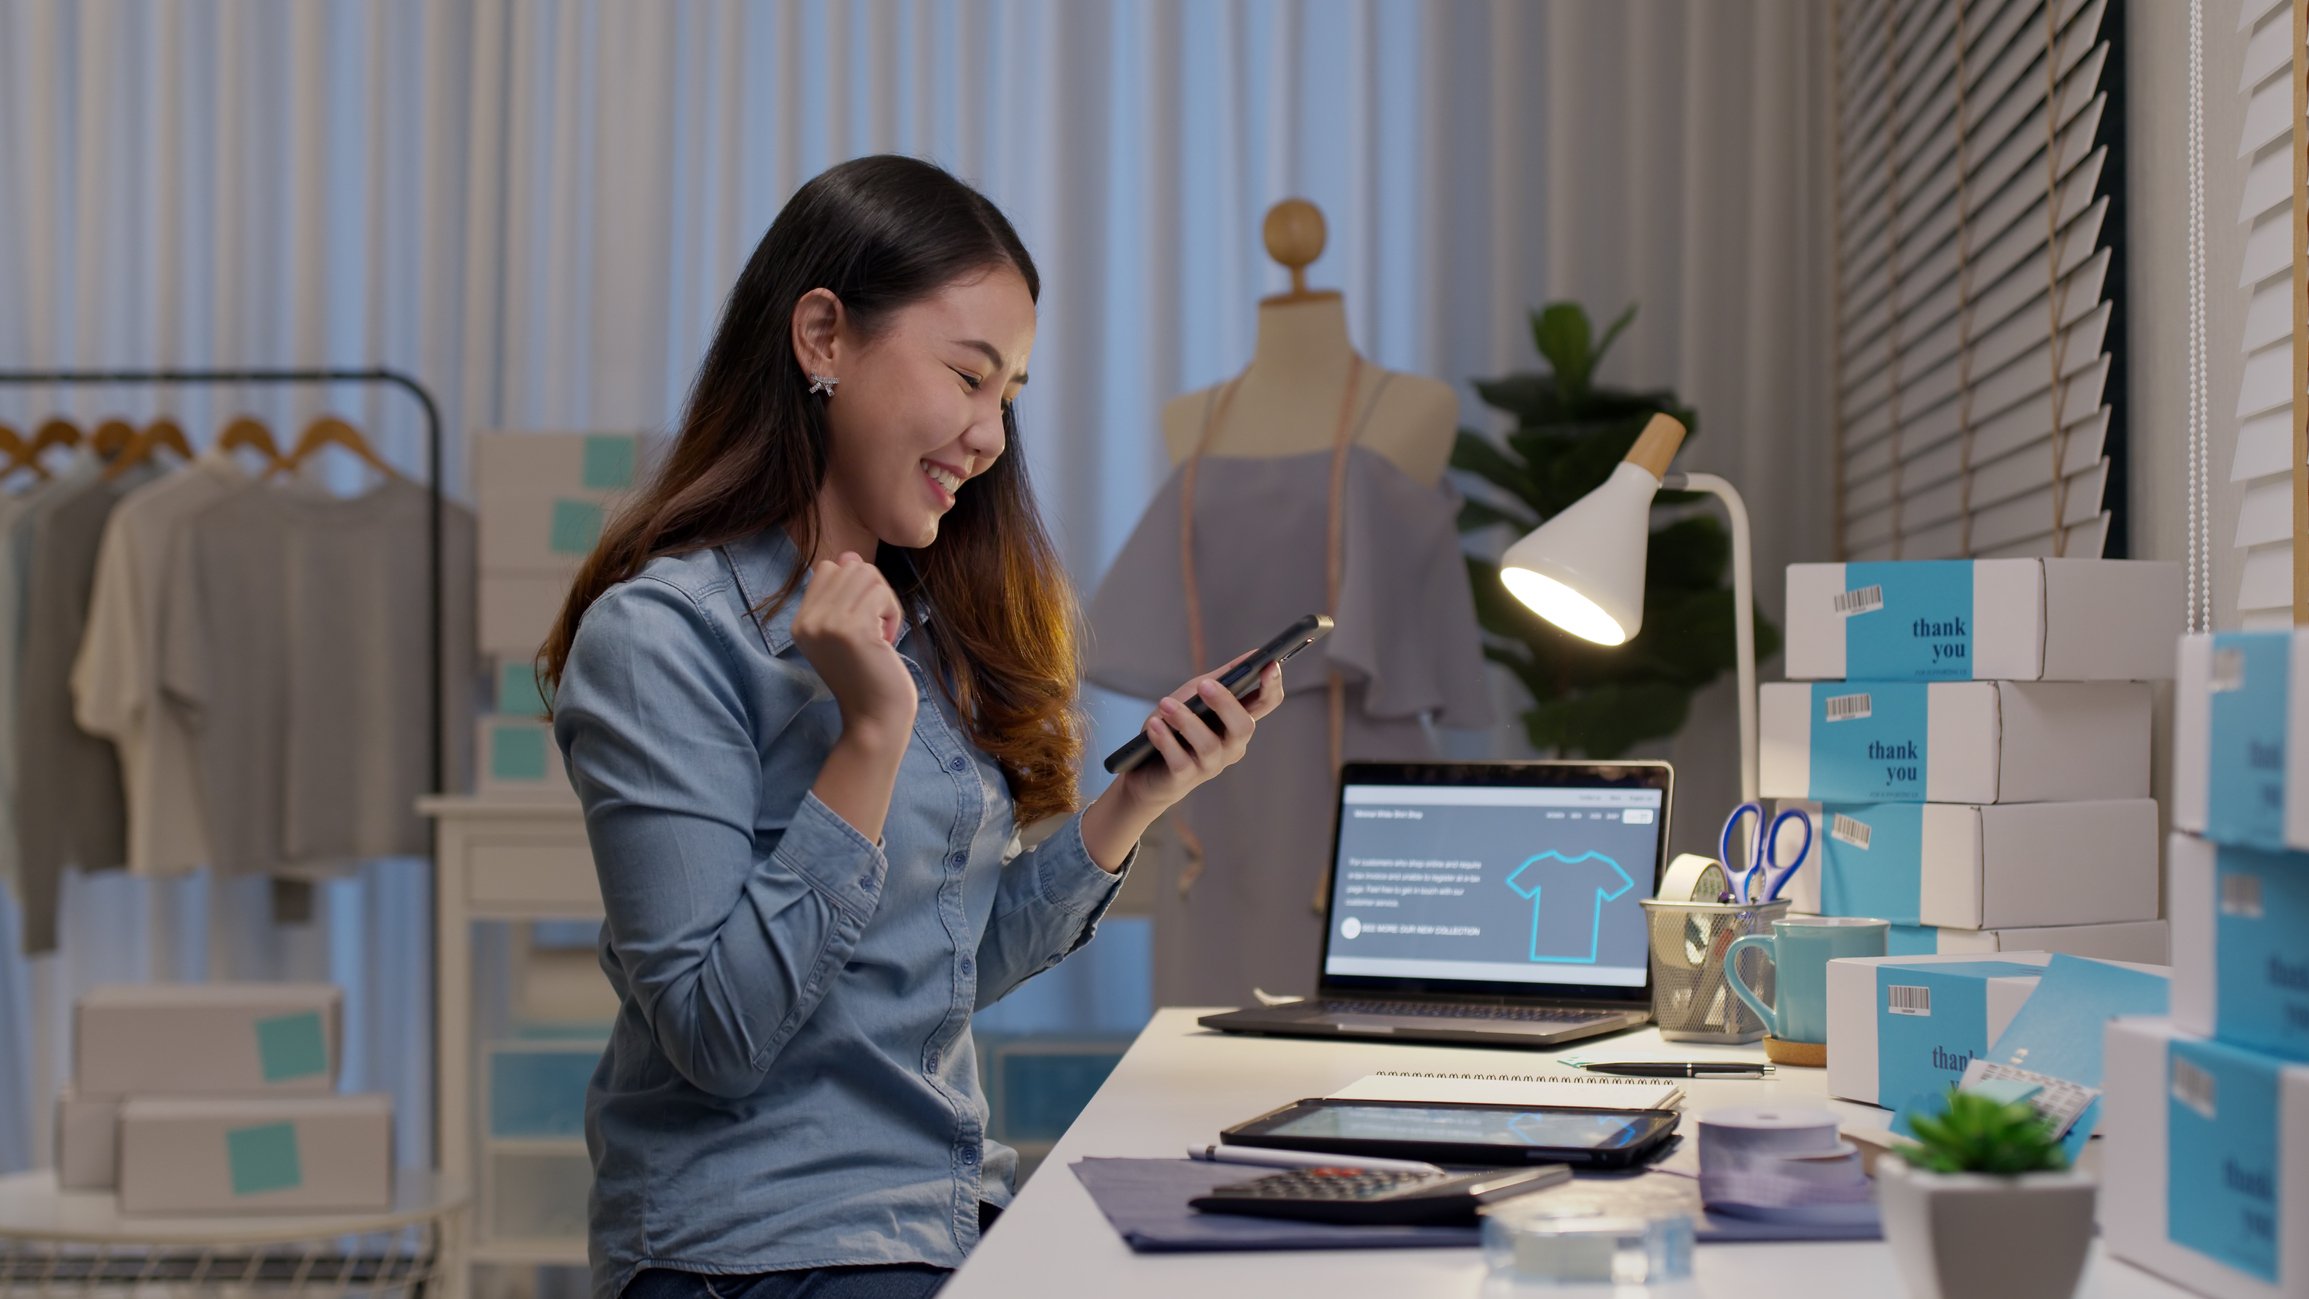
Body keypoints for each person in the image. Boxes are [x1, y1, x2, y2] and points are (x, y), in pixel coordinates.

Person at [536, 154, 1283, 1299]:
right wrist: (868, 734)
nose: (988, 436)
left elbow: (935, 969)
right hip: (755, 1249)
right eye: (968, 377)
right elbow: (717, 1036)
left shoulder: (919, 626)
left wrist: (1137, 798)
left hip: (935, 1213)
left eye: (1010, 397)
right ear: (822, 337)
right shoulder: (661, 641)